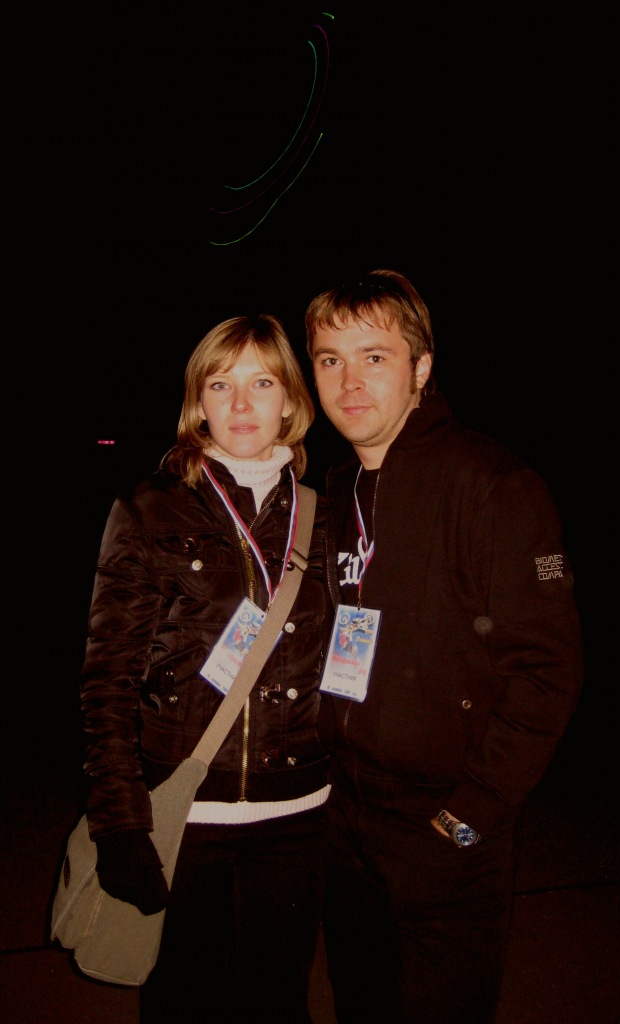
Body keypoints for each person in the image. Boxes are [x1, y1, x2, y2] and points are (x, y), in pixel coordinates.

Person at [304, 269, 585, 1024]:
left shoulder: (492, 484)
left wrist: (467, 819)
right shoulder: (336, 491)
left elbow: (549, 671)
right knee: (362, 1004)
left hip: (444, 823)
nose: (350, 381)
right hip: (345, 818)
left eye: (374, 357)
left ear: (422, 368)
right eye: (330, 359)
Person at [80, 314, 332, 1024]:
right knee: (182, 1003)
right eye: (221, 384)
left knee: (277, 1004)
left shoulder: (327, 514)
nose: (242, 403)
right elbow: (107, 681)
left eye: (263, 383)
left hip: (299, 816)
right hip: (185, 815)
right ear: (198, 403)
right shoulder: (148, 510)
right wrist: (119, 822)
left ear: (291, 401)